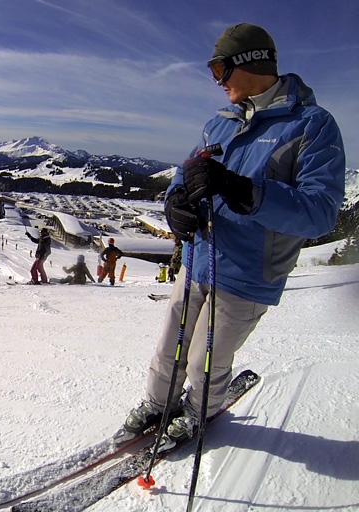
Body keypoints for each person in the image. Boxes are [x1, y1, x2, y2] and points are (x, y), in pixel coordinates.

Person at [119, 23, 345, 450]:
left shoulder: (311, 126)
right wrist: (175, 204)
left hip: (247, 272)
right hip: (198, 259)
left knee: (207, 363)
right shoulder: (218, 124)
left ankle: (198, 412)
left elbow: (320, 213)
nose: (216, 81)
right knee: (171, 349)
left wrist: (246, 192)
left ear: (250, 62)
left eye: (219, 68)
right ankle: (157, 403)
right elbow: (187, 176)